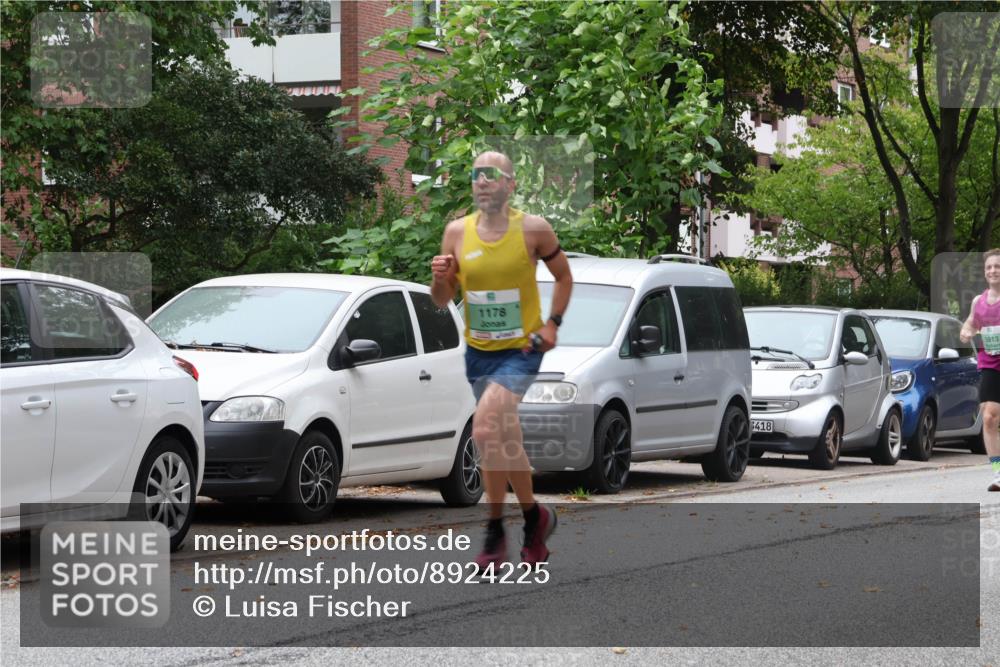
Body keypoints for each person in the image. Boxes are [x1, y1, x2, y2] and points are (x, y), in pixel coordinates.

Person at [430, 151, 573, 568]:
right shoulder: (456, 232)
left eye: (491, 176)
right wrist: (440, 279)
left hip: (522, 350)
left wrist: (553, 324)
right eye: (476, 176)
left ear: (510, 183)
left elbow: (564, 276)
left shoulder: (533, 230)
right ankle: (535, 517)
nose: (482, 182)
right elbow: (443, 301)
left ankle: (494, 533)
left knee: (486, 426)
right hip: (478, 352)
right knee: (503, 440)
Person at [960, 248, 1000, 491]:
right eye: (989, 267)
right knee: (988, 417)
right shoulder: (979, 301)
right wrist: (966, 331)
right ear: (985, 273)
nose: (993, 271)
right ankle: (998, 474)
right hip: (991, 363)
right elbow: (971, 323)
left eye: (997, 266)